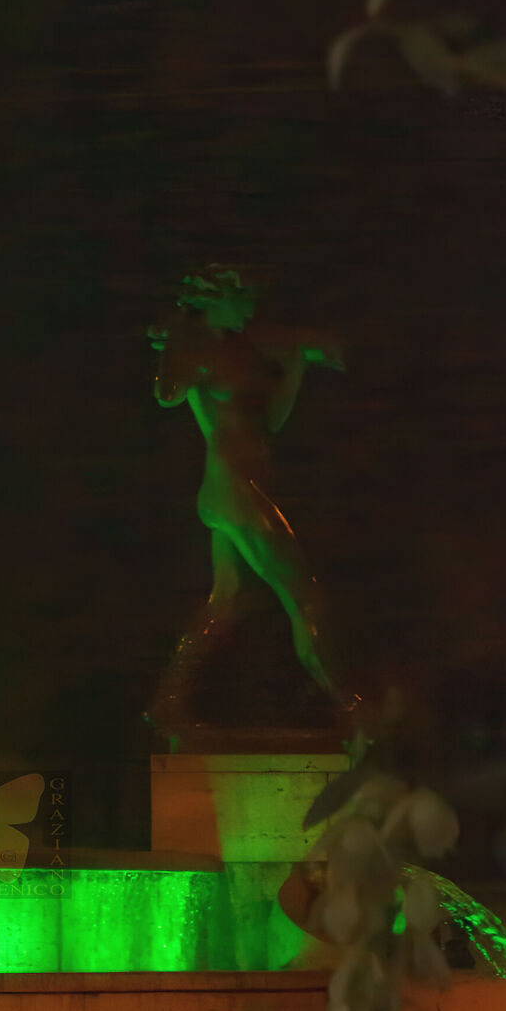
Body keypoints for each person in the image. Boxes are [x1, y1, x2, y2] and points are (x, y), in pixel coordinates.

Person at [147, 264, 357, 738]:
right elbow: (166, 394)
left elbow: (268, 425)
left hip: (238, 486)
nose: (250, 310)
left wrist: (298, 366)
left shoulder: (230, 351)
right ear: (215, 299)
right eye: (240, 300)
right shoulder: (197, 347)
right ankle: (354, 704)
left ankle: (167, 704)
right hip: (234, 488)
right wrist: (178, 339)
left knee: (226, 601)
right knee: (305, 593)